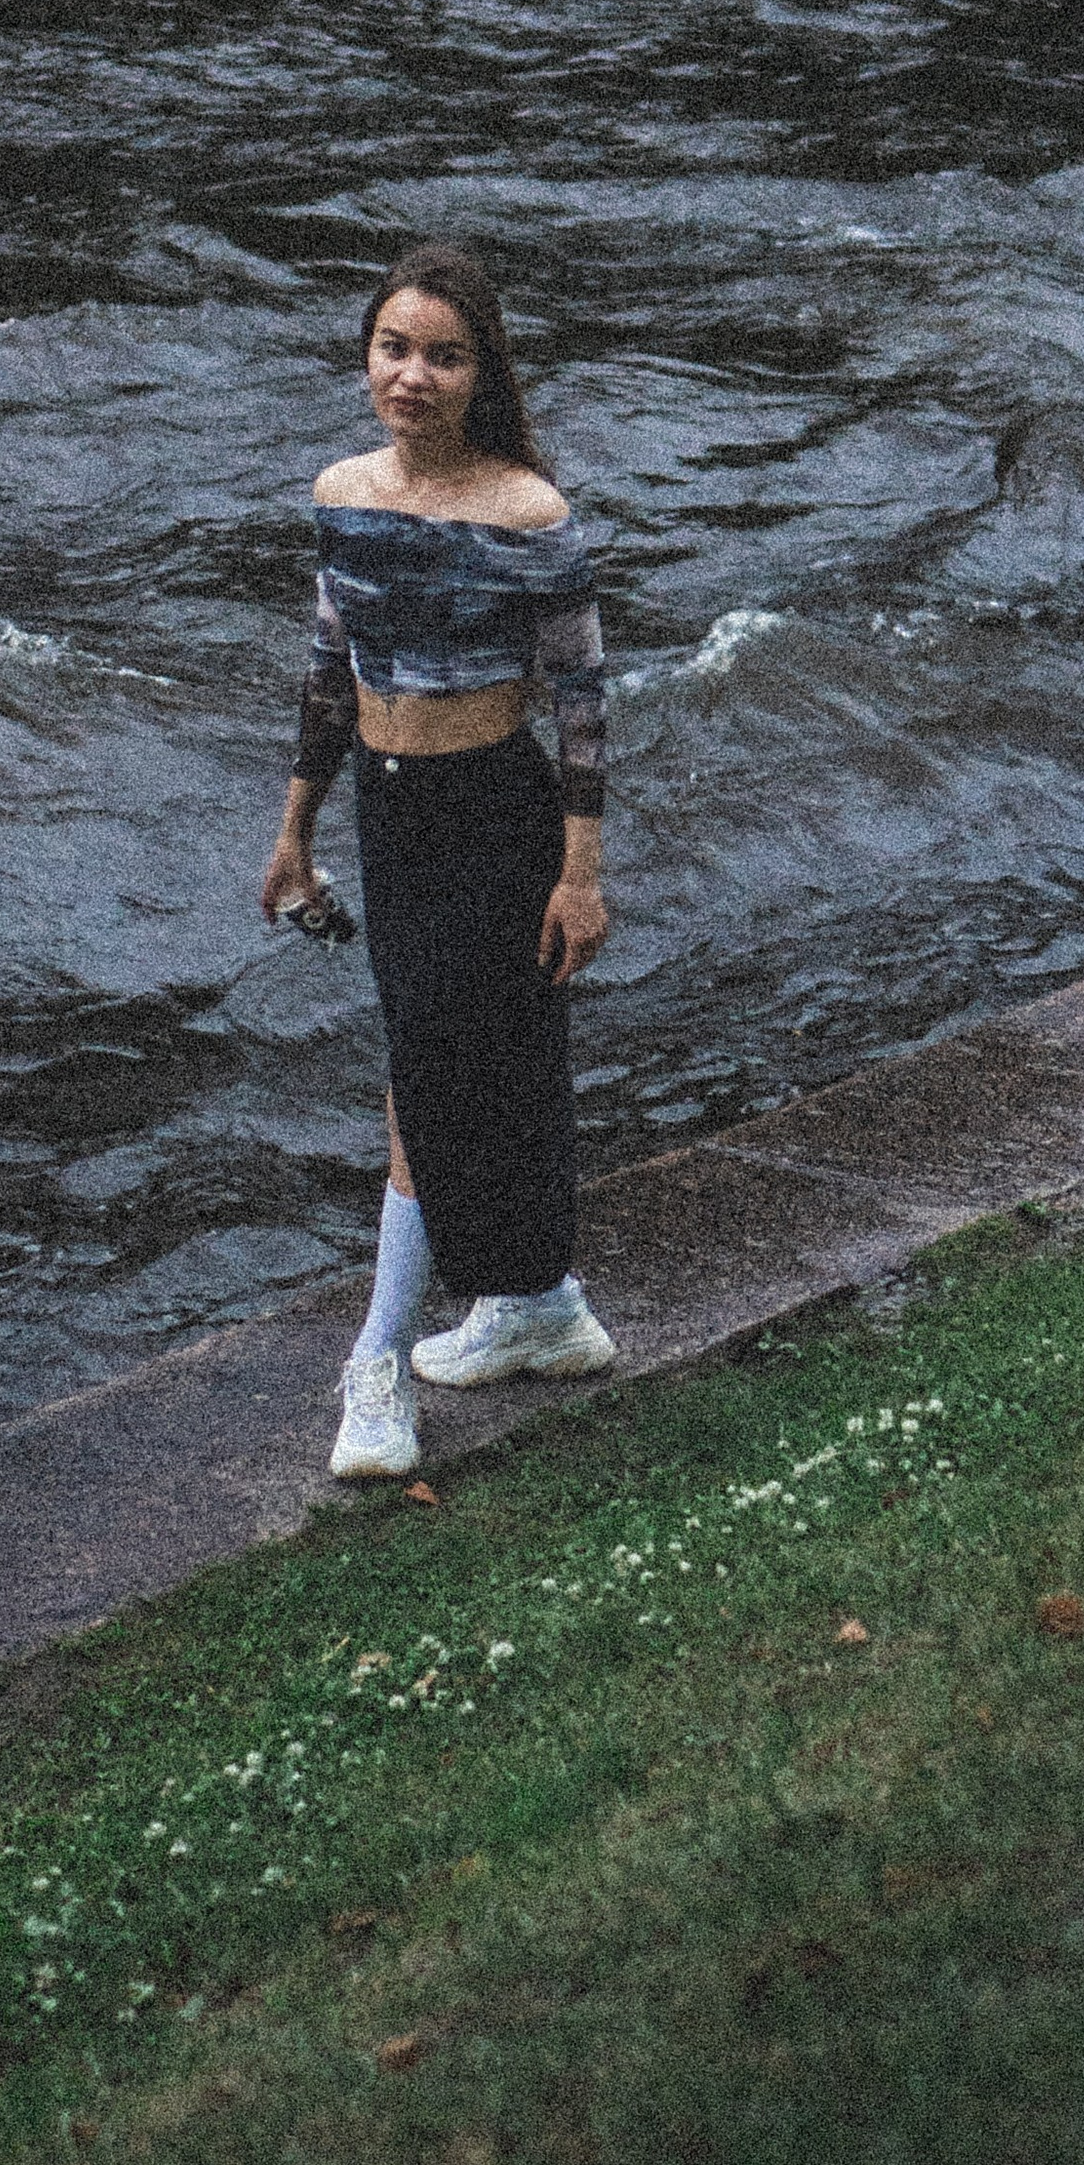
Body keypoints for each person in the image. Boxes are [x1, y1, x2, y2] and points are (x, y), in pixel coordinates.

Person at [260, 239, 616, 1481]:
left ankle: (377, 1366)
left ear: (481, 374)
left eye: (443, 355)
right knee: (481, 1062)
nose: (412, 375)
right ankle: (540, 1309)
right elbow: (324, 672)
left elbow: (581, 700)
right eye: (393, 348)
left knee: (433, 1069)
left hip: (494, 812)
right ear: (367, 358)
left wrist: (580, 872)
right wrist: (295, 829)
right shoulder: (343, 494)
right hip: (387, 807)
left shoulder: (529, 513)